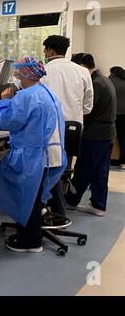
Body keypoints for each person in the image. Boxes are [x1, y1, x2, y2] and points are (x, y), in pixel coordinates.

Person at [0, 57, 67, 253]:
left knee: (27, 197)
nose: (16, 77)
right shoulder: (46, 92)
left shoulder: (26, 96)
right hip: (51, 153)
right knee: (35, 198)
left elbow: (6, 122)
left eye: (18, 73)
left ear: (25, 74)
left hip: (35, 155)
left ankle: (30, 241)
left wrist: (5, 101)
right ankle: (32, 235)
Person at [41, 35, 94, 228]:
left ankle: (47, 206)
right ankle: (59, 203)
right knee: (63, 168)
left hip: (49, 131)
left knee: (48, 167)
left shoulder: (43, 70)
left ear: (51, 51)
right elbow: (88, 106)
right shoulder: (82, 71)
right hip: (73, 131)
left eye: (46, 50)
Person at [65, 54, 117, 217]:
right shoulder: (105, 79)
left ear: (82, 66)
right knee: (100, 172)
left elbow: (87, 111)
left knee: (83, 169)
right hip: (107, 134)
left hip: (94, 134)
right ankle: (98, 205)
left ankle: (70, 201)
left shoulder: (95, 84)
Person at [109, 66, 125, 170]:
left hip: (113, 115)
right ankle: (123, 162)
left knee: (111, 139)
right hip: (124, 115)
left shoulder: (110, 82)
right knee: (123, 139)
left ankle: (112, 160)